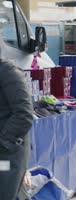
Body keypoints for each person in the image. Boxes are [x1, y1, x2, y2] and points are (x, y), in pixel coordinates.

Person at [0, 55, 34, 200]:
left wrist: (3, 140)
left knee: (5, 192)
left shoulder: (8, 72)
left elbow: (24, 114)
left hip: (6, 154)